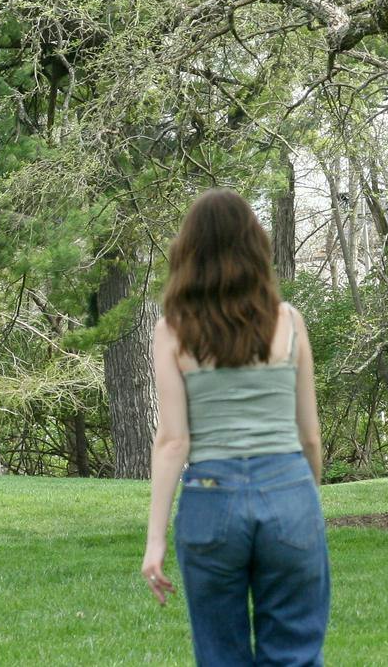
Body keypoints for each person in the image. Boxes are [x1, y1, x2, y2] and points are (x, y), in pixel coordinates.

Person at [141, 188, 329, 666]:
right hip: (288, 490)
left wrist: (155, 540)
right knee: (295, 654)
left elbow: (173, 441)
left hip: (210, 496)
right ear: (255, 247)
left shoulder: (172, 330)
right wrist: (302, 498)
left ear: (189, 252)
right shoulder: (288, 322)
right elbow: (309, 436)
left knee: (220, 656)